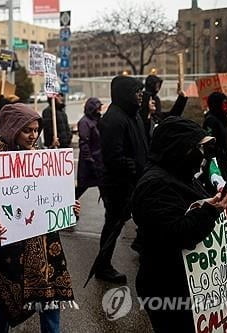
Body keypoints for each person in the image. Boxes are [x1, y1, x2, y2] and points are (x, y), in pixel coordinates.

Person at [0, 103, 80, 332]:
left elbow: (52, 196)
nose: (34, 135)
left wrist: (69, 207)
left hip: (45, 244)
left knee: (50, 298)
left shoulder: (41, 156)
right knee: (4, 298)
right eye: (27, 130)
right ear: (12, 128)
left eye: (36, 129)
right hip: (7, 243)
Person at [132, 117, 227, 333]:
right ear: (179, 148)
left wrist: (213, 205)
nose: (203, 154)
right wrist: (211, 211)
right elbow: (176, 234)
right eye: (198, 147)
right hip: (166, 287)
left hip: (184, 282)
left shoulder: (181, 175)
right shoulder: (155, 185)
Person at [88, 75, 148, 284]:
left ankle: (145, 253)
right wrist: (133, 168)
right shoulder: (114, 119)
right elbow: (114, 157)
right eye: (136, 91)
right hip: (119, 185)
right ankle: (103, 267)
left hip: (136, 181)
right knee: (114, 225)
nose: (141, 95)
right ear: (125, 94)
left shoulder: (134, 115)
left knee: (143, 219)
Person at [140, 75, 188, 143]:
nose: (158, 89)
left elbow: (169, 116)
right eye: (156, 85)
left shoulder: (156, 99)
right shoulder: (144, 99)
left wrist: (181, 99)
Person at [75, 97, 104, 199]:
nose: (100, 110)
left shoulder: (97, 121)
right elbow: (84, 143)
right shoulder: (85, 122)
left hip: (99, 160)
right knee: (81, 187)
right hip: (90, 162)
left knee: (104, 188)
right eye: (98, 108)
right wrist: (89, 160)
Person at [202, 92, 227, 181]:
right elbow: (209, 147)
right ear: (217, 104)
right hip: (216, 169)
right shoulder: (211, 121)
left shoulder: (221, 120)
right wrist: (215, 169)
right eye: (224, 103)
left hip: (224, 165)